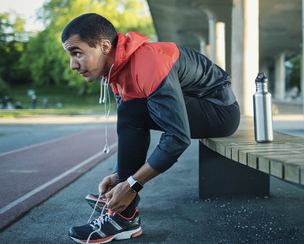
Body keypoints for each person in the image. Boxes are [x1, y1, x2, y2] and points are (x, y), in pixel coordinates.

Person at [61, 13, 240, 243]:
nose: (73, 65)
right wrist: (119, 176)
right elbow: (131, 128)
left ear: (104, 46)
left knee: (131, 111)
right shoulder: (116, 72)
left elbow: (177, 137)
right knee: (130, 111)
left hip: (221, 111)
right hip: (199, 105)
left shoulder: (148, 62)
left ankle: (123, 217)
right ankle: (124, 212)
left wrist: (132, 185)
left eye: (77, 53)